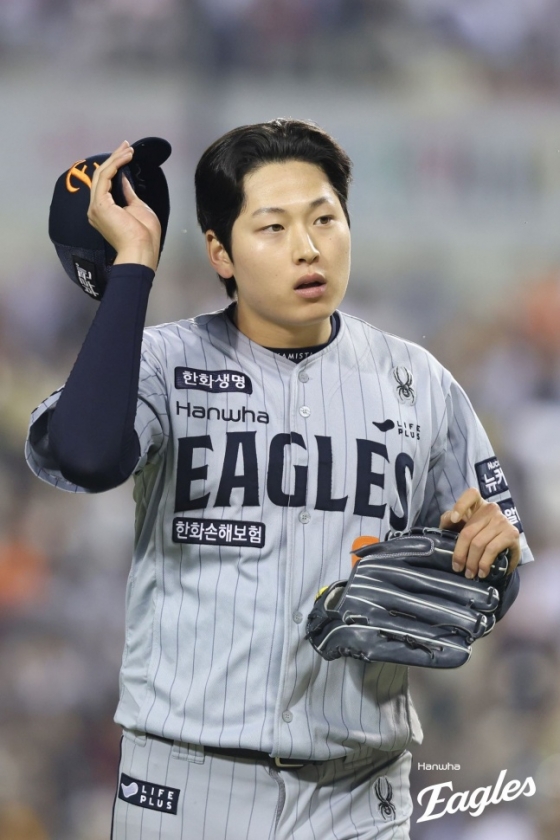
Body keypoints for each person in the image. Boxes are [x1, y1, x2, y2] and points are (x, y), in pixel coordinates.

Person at [25, 119, 531, 840]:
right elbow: (83, 453)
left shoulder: (419, 381)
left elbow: (492, 576)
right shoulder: (164, 364)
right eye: (273, 227)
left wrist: (491, 555)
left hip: (360, 791)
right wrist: (134, 265)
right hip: (185, 783)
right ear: (220, 253)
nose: (308, 246)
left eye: (325, 219)